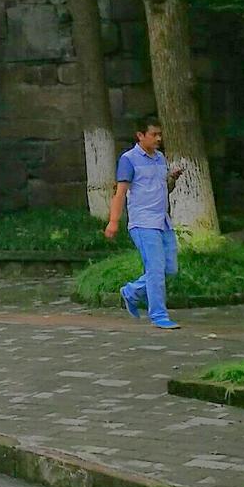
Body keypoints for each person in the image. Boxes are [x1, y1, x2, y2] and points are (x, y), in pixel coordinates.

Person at [104, 113, 188, 329]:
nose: (158, 139)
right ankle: (159, 315)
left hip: (163, 221)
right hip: (143, 223)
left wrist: (172, 178)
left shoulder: (160, 158)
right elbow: (120, 193)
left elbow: (162, 189)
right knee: (156, 270)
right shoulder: (129, 159)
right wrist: (114, 221)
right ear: (140, 135)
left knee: (170, 269)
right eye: (154, 134)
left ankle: (131, 291)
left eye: (160, 134)